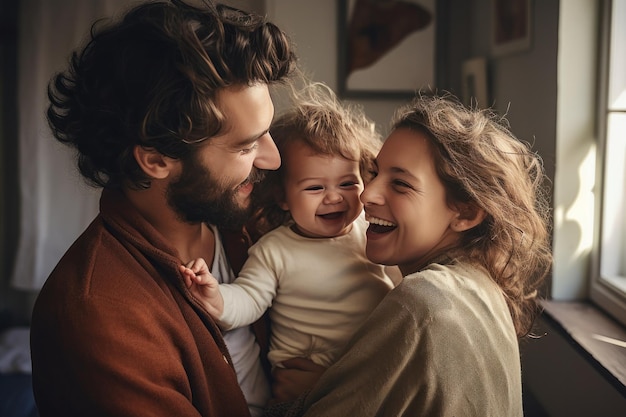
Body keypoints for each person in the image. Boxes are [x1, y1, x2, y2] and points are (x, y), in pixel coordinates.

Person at [29, 1, 296, 416]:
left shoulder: (256, 223)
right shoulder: (98, 316)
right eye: (246, 145)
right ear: (155, 160)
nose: (272, 160)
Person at [267, 92, 552, 416]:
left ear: (467, 212)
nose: (366, 193)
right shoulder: (481, 284)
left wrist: (315, 393)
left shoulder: (423, 301)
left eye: (401, 184)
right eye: (374, 173)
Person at [180, 82, 399, 381]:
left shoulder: (368, 231)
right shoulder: (275, 250)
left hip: (366, 372)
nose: (335, 197)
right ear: (282, 197)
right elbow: (248, 299)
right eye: (315, 188)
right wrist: (216, 297)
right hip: (300, 380)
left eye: (348, 183)